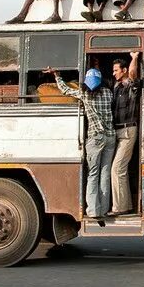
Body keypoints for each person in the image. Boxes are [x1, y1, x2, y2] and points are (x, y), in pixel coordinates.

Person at [52, 66, 114, 218]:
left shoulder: (84, 94)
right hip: (111, 137)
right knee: (105, 174)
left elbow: (65, 90)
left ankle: (93, 210)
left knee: (93, 174)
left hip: (95, 137)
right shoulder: (108, 93)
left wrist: (57, 76)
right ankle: (104, 209)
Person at [109, 52, 141, 216]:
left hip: (128, 130)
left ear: (124, 70)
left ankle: (119, 207)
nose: (114, 73)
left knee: (117, 169)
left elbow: (134, 76)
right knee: (121, 170)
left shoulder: (131, 86)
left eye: (116, 70)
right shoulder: (117, 87)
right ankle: (126, 205)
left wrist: (134, 58)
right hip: (118, 130)